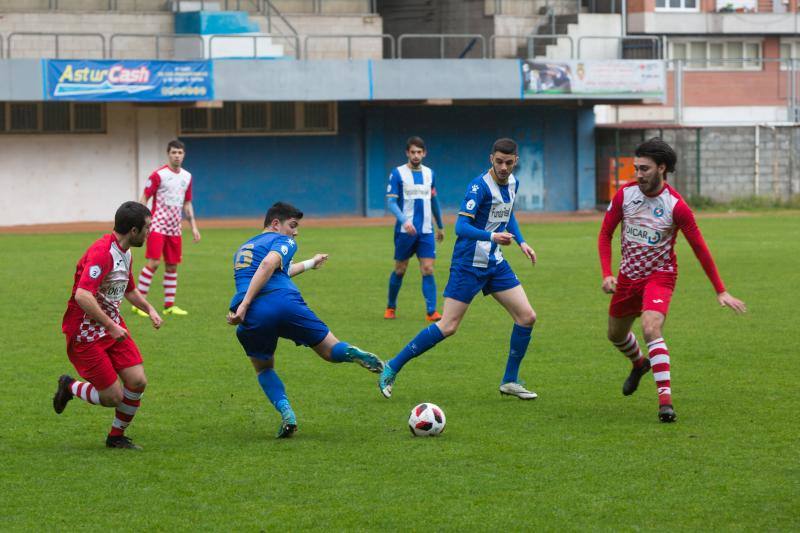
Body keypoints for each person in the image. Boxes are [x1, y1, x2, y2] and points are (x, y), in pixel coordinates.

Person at [598, 137, 746, 423]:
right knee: (615, 334)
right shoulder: (625, 195)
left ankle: (665, 403)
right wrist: (607, 273)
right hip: (628, 277)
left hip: (660, 276)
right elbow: (605, 235)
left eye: (644, 169)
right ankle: (639, 363)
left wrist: (721, 290)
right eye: (636, 168)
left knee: (651, 327)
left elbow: (700, 248)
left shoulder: (676, 206)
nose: (638, 174)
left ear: (662, 168)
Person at [379, 138, 538, 400]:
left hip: (494, 262)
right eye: (498, 161)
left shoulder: (513, 183)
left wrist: (522, 242)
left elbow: (507, 214)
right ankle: (392, 366)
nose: (503, 167)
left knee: (527, 317)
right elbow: (460, 228)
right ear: (491, 158)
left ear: (515, 162)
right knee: (448, 325)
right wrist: (492, 237)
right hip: (468, 263)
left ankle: (510, 380)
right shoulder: (478, 187)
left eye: (508, 162)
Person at [227, 202, 385, 438]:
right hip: (285, 302)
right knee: (330, 351)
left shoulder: (243, 248)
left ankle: (287, 413)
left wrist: (311, 263)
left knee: (263, 368)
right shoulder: (284, 241)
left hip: (254, 315)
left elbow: (274, 270)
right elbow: (269, 264)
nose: (295, 232)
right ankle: (352, 352)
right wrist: (247, 302)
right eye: (292, 225)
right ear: (275, 224)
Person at [52, 201, 163, 450]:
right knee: (113, 397)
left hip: (111, 326)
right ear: (133, 231)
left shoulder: (127, 252)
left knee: (137, 381)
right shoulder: (103, 252)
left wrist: (150, 309)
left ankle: (116, 437)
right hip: (85, 331)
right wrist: (110, 326)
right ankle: (69, 386)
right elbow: (83, 295)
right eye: (147, 227)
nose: (150, 232)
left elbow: (130, 290)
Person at [133, 139, 201, 317]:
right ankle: (139, 304)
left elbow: (187, 203)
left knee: (172, 266)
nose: (177, 156)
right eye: (173, 152)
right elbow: (144, 198)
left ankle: (169, 306)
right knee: (154, 263)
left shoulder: (187, 177)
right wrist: (142, 223)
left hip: (174, 227)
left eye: (180, 153)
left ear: (184, 155)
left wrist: (193, 227)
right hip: (157, 225)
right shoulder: (158, 175)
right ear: (168, 154)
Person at [384, 136, 445, 322]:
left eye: (419, 152)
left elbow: (433, 200)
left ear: (424, 153)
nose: (416, 155)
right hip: (405, 231)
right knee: (400, 269)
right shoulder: (397, 173)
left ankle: (431, 311)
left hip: (426, 230)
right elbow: (391, 202)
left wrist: (440, 226)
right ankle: (391, 307)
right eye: (413, 152)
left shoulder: (430, 174)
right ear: (407, 153)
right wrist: (404, 220)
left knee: (428, 269)